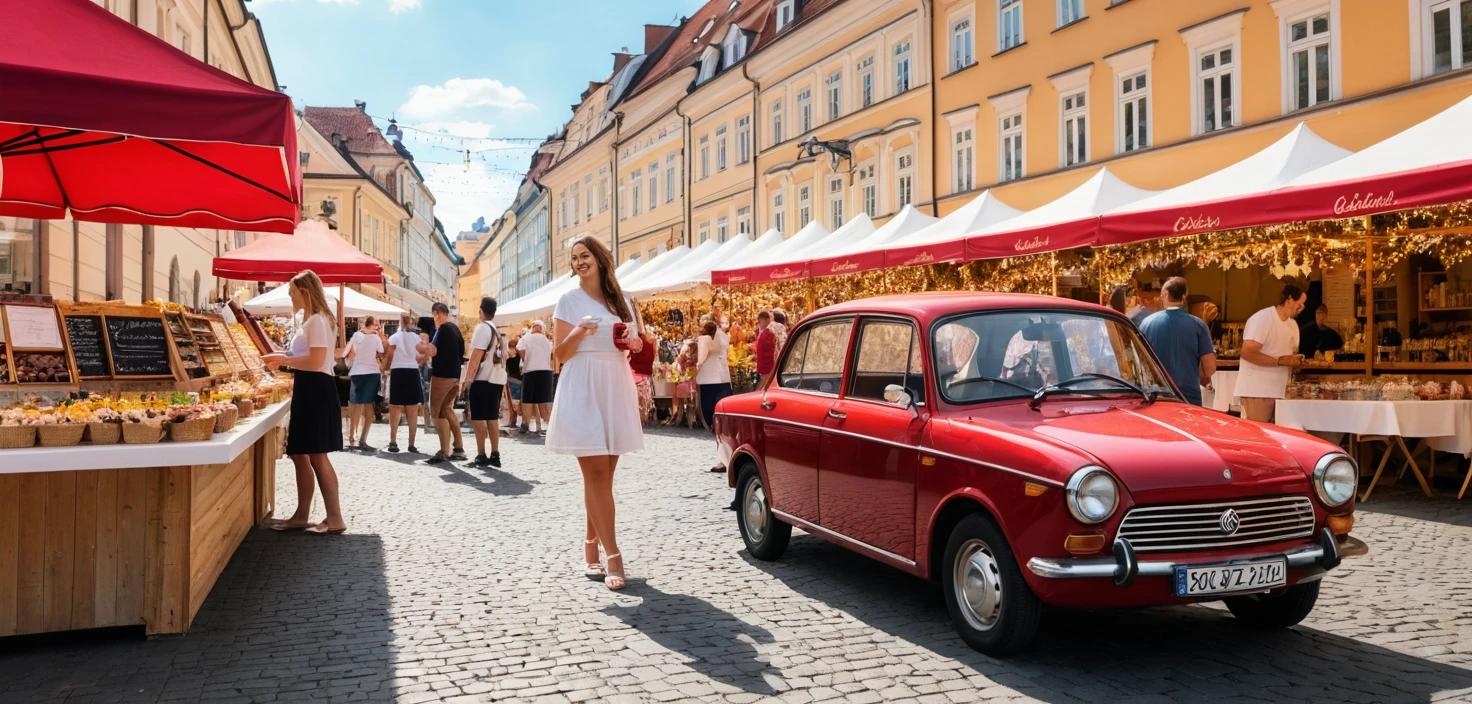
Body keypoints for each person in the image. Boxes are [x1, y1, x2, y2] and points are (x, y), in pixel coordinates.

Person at [546, 236, 644, 592]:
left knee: (603, 477)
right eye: (574, 258)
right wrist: (579, 330)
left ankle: (591, 547)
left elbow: (635, 343)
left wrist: (633, 343)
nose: (579, 262)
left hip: (614, 382)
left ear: (600, 259)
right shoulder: (568, 300)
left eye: (585, 256)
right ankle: (613, 555)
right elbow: (560, 354)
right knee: (597, 473)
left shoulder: (623, 300)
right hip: (583, 385)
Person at [262, 270, 347, 535]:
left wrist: (282, 360)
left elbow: (314, 361)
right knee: (301, 453)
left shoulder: (317, 322)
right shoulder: (313, 320)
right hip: (310, 387)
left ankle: (335, 518)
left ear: (305, 292)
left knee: (317, 455)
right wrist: (282, 356)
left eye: (292, 292)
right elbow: (307, 356)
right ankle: (301, 515)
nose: (290, 297)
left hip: (316, 389)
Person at [1139, 277, 1217, 406]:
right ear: (1184, 296)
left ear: (1165, 295)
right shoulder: (1199, 325)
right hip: (1188, 396)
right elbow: (1209, 369)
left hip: (1154, 395)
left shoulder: (1146, 324)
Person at [1236, 284, 1307, 422]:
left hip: (1282, 392)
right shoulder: (1263, 318)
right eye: (1300, 304)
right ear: (1289, 299)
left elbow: (1291, 356)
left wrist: (1297, 362)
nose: (1302, 308)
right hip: (1257, 391)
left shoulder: (1293, 325)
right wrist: (1280, 361)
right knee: (1258, 436)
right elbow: (1247, 352)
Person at [464, 297, 508, 467]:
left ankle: (481, 454)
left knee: (478, 418)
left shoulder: (482, 328)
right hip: (496, 379)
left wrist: (467, 379)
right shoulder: (496, 330)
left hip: (482, 378)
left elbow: (475, 356)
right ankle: (495, 454)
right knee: (492, 418)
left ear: (481, 310)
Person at [420, 302, 465, 463]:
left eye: (434, 315)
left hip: (442, 376)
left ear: (438, 313)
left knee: (437, 412)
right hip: (454, 375)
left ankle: (444, 451)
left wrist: (423, 344)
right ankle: (458, 448)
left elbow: (433, 351)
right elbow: (461, 352)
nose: (434, 319)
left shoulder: (442, 330)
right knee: (447, 410)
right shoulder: (455, 329)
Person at [343, 315, 385, 451]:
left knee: (355, 407)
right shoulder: (376, 337)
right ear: (372, 325)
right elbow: (382, 351)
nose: (377, 327)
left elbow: (347, 352)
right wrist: (379, 335)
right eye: (377, 325)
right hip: (372, 373)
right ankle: (363, 440)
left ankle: (352, 439)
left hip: (357, 372)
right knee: (369, 409)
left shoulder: (356, 335)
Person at [384, 314, 425, 453]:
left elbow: (389, 355)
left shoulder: (394, 337)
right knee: (412, 410)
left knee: (395, 408)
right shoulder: (415, 337)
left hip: (398, 371)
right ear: (411, 323)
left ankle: (393, 441)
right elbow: (420, 356)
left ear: (400, 323)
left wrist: (385, 368)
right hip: (412, 372)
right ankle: (411, 444)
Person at [517, 319, 554, 434]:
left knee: (528, 399)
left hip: (531, 370)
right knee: (545, 399)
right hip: (546, 370)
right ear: (542, 329)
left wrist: (525, 359)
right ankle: (549, 424)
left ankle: (526, 423)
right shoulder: (547, 340)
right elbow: (552, 355)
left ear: (533, 327)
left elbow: (520, 349)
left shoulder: (527, 337)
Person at [695, 319, 732, 431]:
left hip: (708, 374)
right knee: (721, 399)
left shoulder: (704, 339)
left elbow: (702, 357)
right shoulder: (724, 338)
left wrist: (697, 366)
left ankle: (710, 423)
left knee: (707, 401)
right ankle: (722, 423)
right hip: (723, 373)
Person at [629, 327, 657, 424]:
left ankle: (635, 420)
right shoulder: (652, 339)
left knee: (634, 398)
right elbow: (654, 356)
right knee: (642, 399)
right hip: (645, 373)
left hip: (634, 372)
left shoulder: (634, 338)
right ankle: (641, 419)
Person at [504, 332, 524, 434]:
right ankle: (513, 421)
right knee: (514, 403)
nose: (511, 348)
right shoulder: (511, 359)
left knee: (516, 403)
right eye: (510, 347)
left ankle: (517, 422)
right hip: (512, 382)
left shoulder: (517, 359)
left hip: (515, 382)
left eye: (512, 347)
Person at [753, 310, 776, 389]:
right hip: (763, 364)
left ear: (767, 320)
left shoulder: (769, 332)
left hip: (767, 364)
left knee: (764, 386)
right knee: (764, 385)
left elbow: (772, 349)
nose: (759, 323)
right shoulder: (763, 332)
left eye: (760, 321)